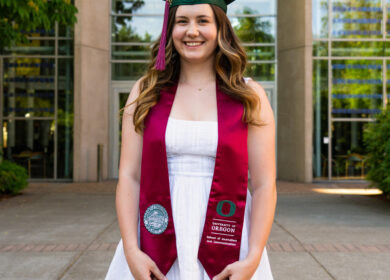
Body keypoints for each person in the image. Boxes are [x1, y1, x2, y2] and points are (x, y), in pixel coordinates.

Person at [105, 0, 277, 279]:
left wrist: (254, 255)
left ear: (220, 28)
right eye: (182, 21)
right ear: (170, 28)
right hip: (154, 239)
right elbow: (129, 175)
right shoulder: (147, 91)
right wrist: (131, 250)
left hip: (230, 240)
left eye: (203, 21)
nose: (192, 31)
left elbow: (263, 184)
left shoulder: (249, 96)